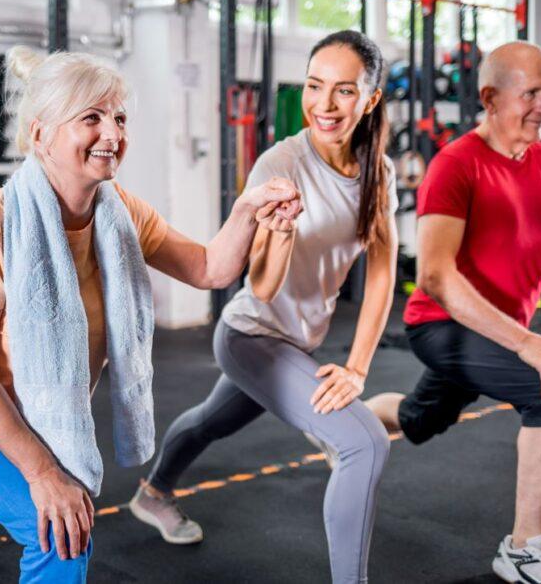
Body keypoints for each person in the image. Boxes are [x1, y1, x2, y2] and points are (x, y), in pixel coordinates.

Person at [0, 46, 302, 584]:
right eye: (91, 118)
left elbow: (208, 269)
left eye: (119, 118)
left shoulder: (120, 213)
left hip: (28, 414)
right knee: (58, 532)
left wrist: (248, 209)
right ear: (41, 135)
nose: (112, 134)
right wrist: (42, 474)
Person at [129, 30, 399, 584]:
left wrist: (358, 368)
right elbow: (263, 283)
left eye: (344, 91)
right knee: (364, 443)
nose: (324, 105)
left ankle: (153, 493)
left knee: (211, 421)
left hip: (301, 341)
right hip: (251, 334)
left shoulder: (380, 170)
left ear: (369, 100)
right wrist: (277, 233)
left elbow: (383, 271)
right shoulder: (281, 164)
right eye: (314, 86)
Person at [364, 41, 541, 584]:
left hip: (502, 328)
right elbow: (437, 278)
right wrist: (530, 346)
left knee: (424, 420)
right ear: (490, 98)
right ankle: (524, 550)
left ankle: (341, 424)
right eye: (533, 93)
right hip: (441, 324)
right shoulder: (456, 164)